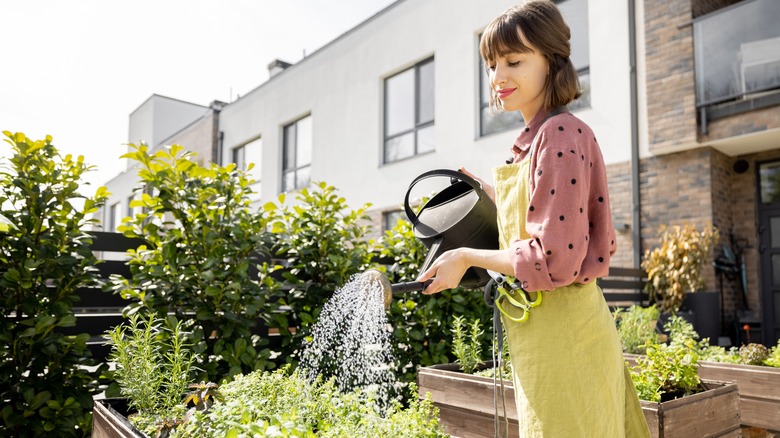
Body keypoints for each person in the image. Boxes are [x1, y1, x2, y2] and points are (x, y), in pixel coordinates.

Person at [416, 1, 651, 436]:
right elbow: (541, 223)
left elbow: (553, 258)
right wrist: (489, 196)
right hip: (548, 336)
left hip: (565, 339)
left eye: (514, 61)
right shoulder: (536, 138)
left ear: (551, 62)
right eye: (491, 64)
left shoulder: (560, 133)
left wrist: (466, 256)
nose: (498, 77)